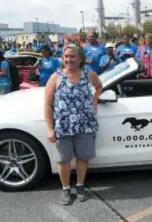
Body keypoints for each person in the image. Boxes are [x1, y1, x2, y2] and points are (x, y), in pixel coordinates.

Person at [44, 44, 103, 205]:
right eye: (66, 57)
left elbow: (99, 86)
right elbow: (48, 105)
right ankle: (65, 189)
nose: (69, 60)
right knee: (64, 160)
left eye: (72, 56)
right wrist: (50, 128)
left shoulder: (88, 74)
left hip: (84, 124)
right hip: (63, 126)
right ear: (62, 58)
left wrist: (95, 98)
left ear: (80, 58)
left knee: (83, 158)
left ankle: (80, 186)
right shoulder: (56, 77)